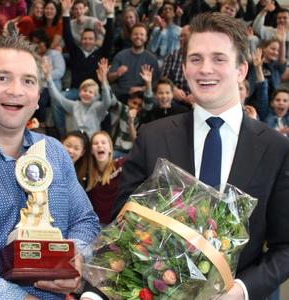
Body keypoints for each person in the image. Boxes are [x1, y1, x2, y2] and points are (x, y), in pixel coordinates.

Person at [114, 12, 289, 300]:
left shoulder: (275, 147)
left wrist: (241, 290)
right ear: (184, 68)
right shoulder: (152, 136)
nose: (205, 69)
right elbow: (124, 221)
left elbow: (284, 247)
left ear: (241, 70)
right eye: (196, 59)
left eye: (219, 59)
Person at [0, 35, 100, 300]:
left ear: (38, 97)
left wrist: (74, 261)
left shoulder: (55, 152)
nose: (16, 91)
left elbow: (85, 220)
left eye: (28, 81)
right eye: (2, 78)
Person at [108, 23, 159, 103]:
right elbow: (109, 78)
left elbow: (156, 83)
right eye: (135, 34)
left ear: (146, 38)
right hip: (121, 94)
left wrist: (141, 88)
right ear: (131, 37)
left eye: (141, 34)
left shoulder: (152, 59)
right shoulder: (120, 55)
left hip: (142, 95)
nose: (138, 36)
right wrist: (117, 74)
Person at [86, 131, 124, 225]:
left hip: (117, 224)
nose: (99, 145)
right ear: (91, 150)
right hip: (96, 225)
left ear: (110, 148)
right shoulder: (87, 173)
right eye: (95, 143)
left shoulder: (121, 165)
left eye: (103, 142)